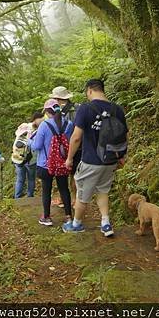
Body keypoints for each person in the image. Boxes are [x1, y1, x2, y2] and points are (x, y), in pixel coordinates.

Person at [63, 79, 127, 237]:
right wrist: (122, 155)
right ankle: (106, 223)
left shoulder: (85, 109)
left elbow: (76, 137)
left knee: (82, 195)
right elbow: (125, 135)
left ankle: (76, 224)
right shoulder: (117, 109)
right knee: (103, 191)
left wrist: (69, 158)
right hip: (110, 160)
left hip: (91, 161)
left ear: (90, 90)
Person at [28, 99, 72, 226]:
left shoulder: (44, 125)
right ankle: (69, 216)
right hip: (62, 162)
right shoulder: (68, 124)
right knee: (64, 188)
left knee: (46, 190)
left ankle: (46, 217)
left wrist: (30, 140)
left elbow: (36, 146)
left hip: (45, 164)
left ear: (47, 111)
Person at [50, 86, 81, 207]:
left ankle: (68, 199)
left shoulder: (60, 113)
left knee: (64, 174)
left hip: (65, 148)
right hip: (79, 146)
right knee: (74, 174)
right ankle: (73, 199)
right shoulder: (78, 108)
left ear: (59, 99)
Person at [12, 111, 44, 199]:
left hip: (18, 157)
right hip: (31, 159)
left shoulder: (23, 126)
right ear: (35, 119)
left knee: (20, 179)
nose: (42, 122)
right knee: (30, 179)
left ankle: (18, 197)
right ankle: (29, 197)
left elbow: (17, 136)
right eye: (40, 120)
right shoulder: (39, 130)